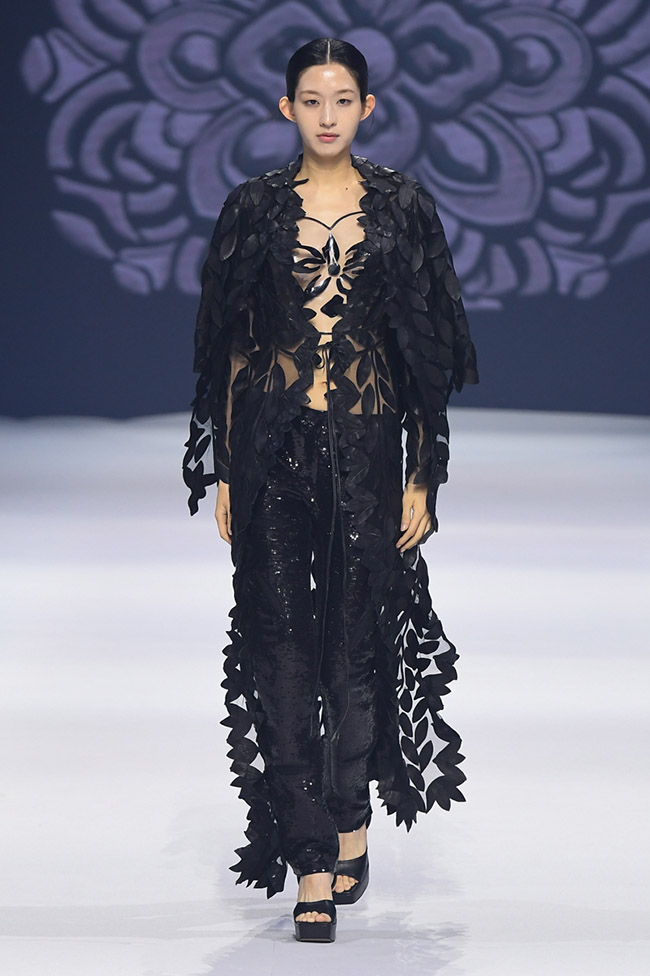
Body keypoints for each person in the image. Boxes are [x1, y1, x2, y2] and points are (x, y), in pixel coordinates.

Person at [182, 37, 479, 943]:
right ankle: (312, 856)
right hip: (272, 450)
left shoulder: (402, 207)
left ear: (367, 108)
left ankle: (349, 815)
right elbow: (230, 347)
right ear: (287, 109)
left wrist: (423, 471)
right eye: (310, 100)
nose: (326, 115)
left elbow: (424, 352)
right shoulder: (255, 208)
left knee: (353, 652)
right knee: (277, 649)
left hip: (367, 449)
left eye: (342, 99)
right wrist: (224, 466)